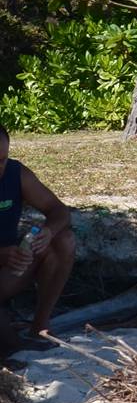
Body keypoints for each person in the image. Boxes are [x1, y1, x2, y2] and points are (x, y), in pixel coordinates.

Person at [0, 124, 75, 357]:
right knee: (9, 346)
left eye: (2, 160)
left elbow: (59, 210)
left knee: (64, 240)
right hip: (6, 260)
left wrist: (48, 232)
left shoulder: (16, 174)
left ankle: (40, 328)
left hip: (10, 269)